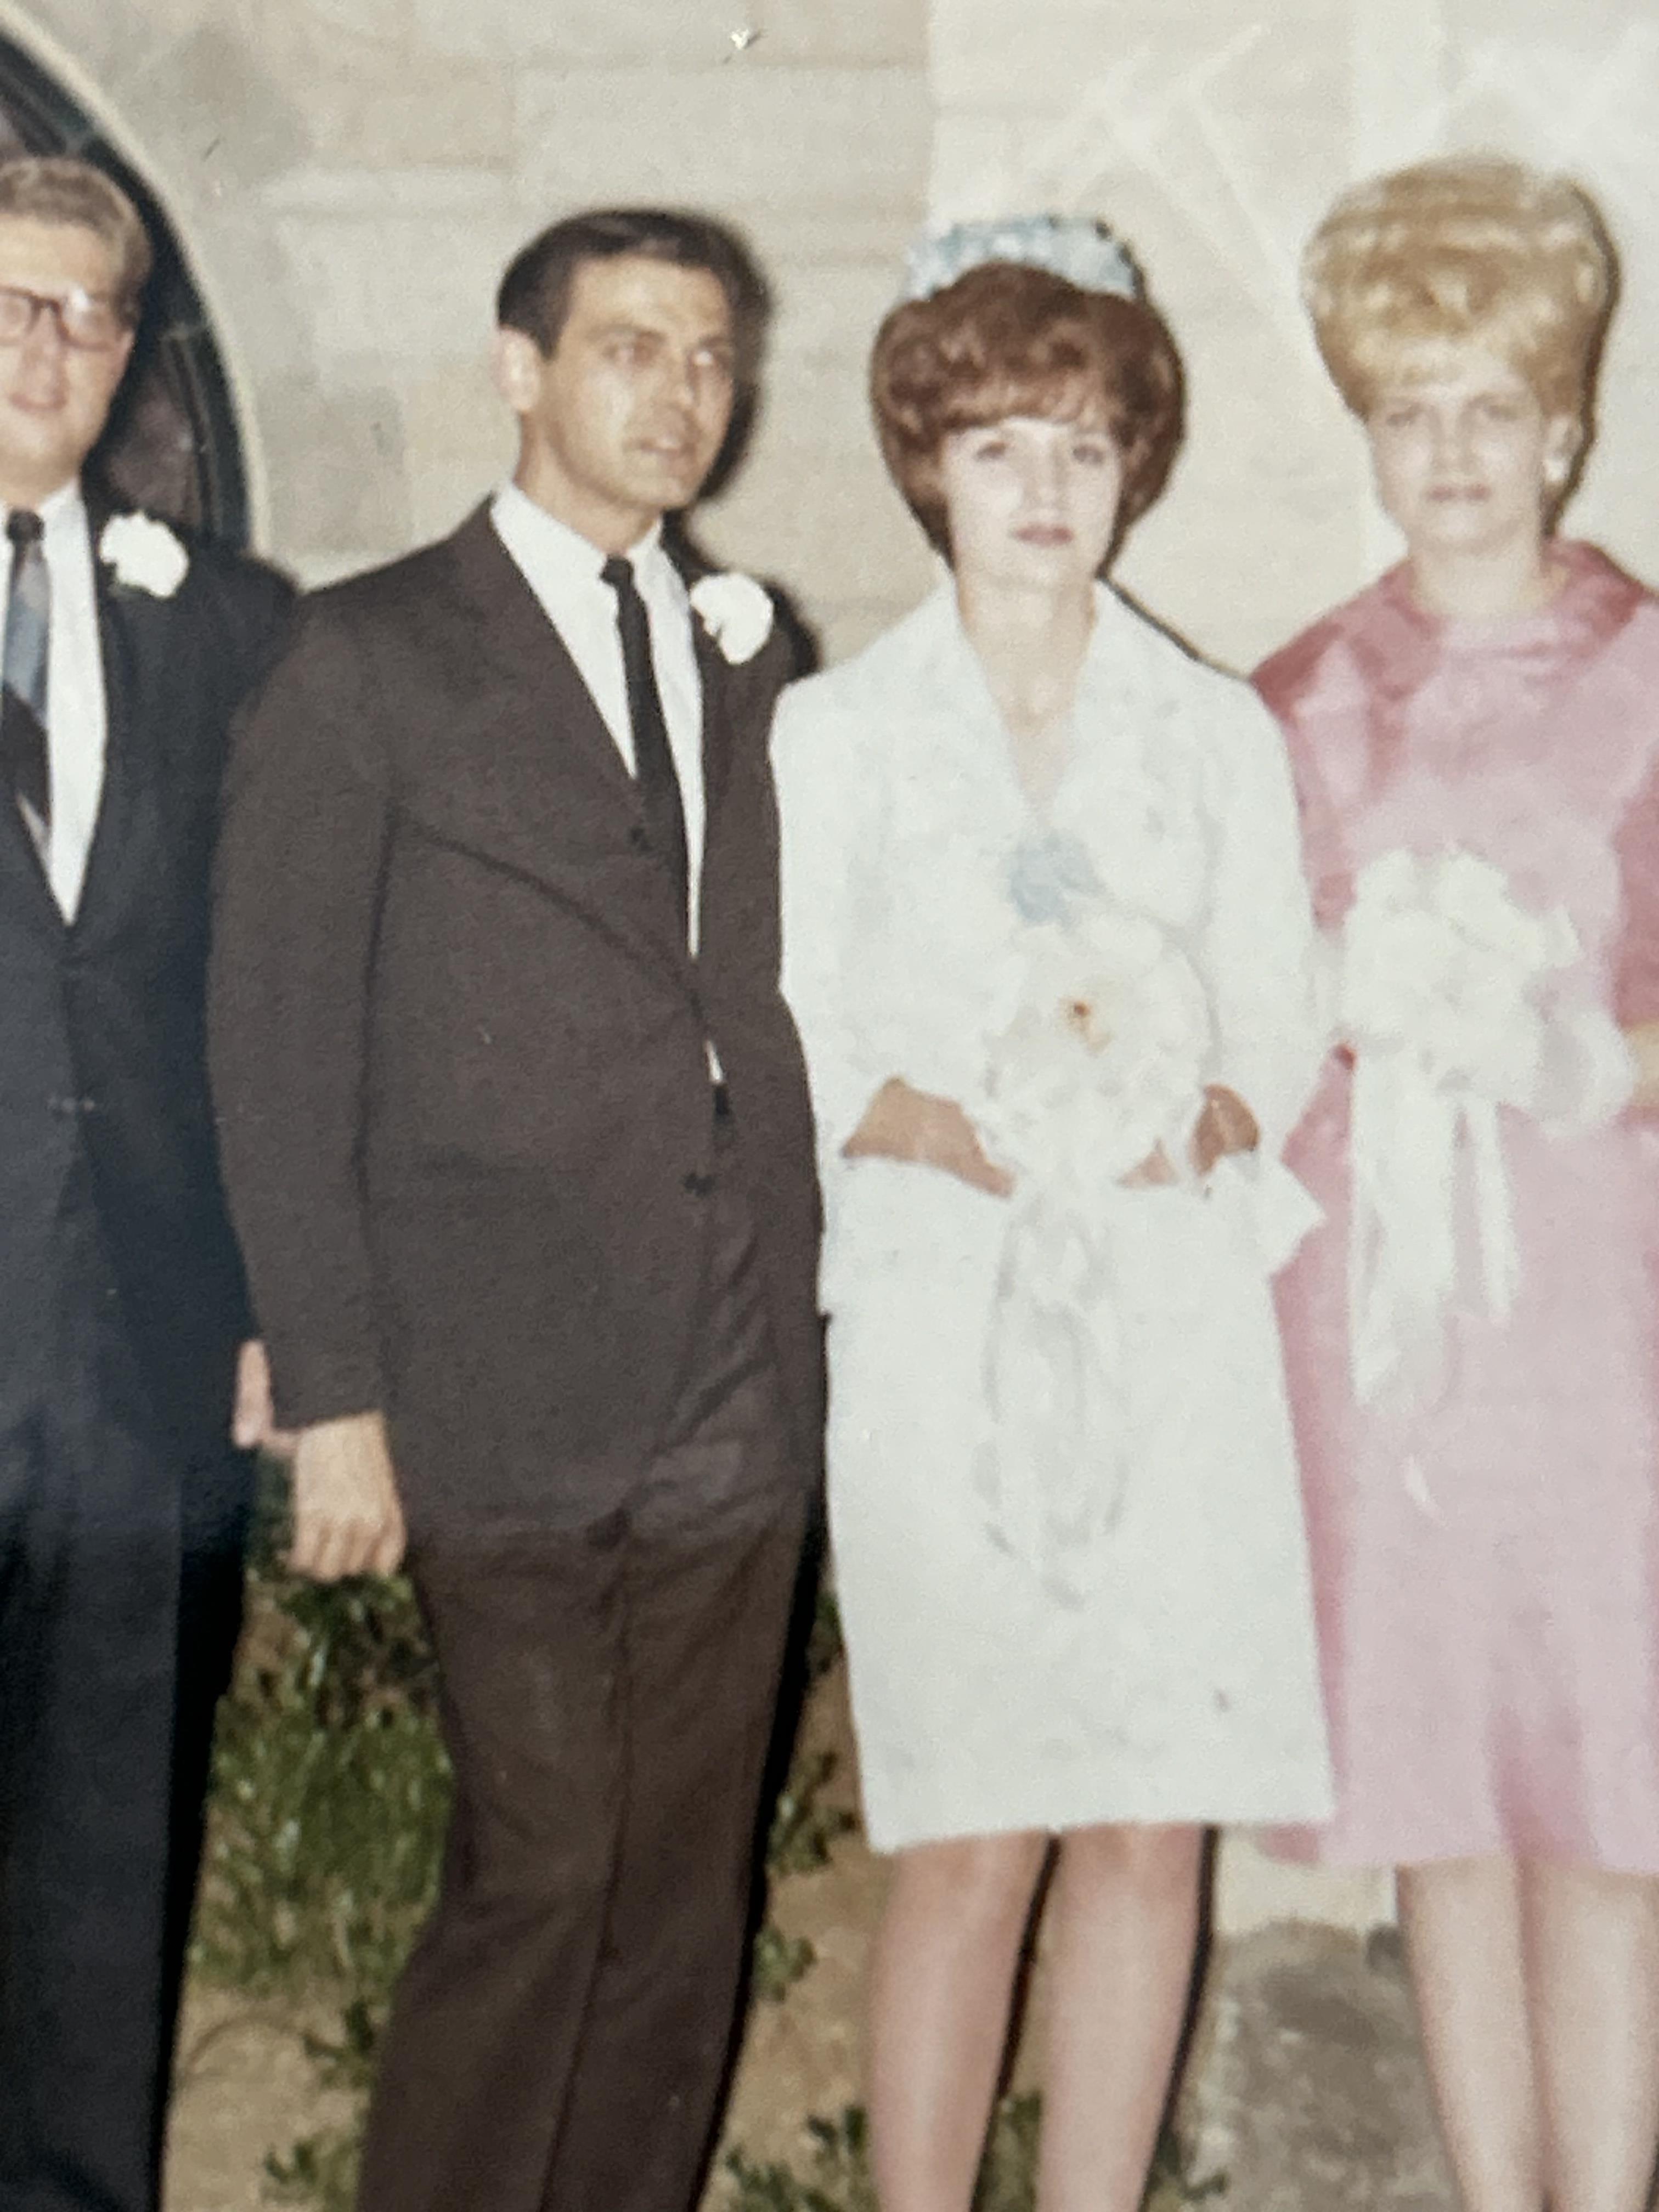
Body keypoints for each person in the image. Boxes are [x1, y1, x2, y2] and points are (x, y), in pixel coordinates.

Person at [207, 207, 822, 2212]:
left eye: (713, 355)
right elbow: (280, 1052)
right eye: (633, 346)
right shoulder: (369, 653)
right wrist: (334, 1387)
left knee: (677, 1888)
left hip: (736, 1356)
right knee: (545, 1865)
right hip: (497, 1375)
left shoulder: (751, 648)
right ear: (520, 369)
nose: (681, 392)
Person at [772, 217, 1333, 2212]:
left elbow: (1281, 1006)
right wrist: (917, 1115)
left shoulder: (1213, 734)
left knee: (1144, 1828)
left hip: (1170, 1330)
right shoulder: (838, 737)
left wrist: (1210, 1116)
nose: (1045, 493)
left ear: (1132, 474)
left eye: (1086, 451)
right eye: (1003, 444)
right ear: (929, 457)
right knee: (969, 1827)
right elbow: (800, 1019)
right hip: (945, 1329)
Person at [1256, 154, 1659, 2212]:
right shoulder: (1300, 694)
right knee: (1448, 1791)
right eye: (1412, 411)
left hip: (1605, 1302)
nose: (1455, 455)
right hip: (1382, 1321)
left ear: (1568, 423)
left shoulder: (1651, 674)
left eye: (1492, 408)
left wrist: (1598, 1055)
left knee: (1608, 1790)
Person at [0, 156, 292, 2212]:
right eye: (7, 303)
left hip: (141, 1355)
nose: (50, 349)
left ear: (133, 356)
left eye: (89, 316)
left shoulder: (226, 633)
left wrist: (285, 1308)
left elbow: (263, 1005)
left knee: (109, 1863)